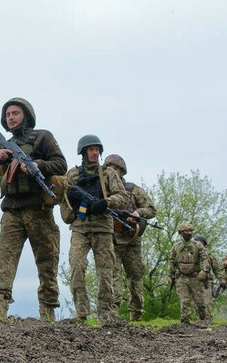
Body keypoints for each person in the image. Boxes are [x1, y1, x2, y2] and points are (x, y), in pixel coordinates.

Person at [0, 99, 67, 321]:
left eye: (16, 113)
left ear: (27, 115)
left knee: (47, 260)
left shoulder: (43, 137)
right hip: (12, 211)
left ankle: (48, 310)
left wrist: (37, 165)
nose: (11, 117)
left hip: (38, 209)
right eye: (8, 114)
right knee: (5, 257)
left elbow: (61, 164)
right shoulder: (3, 145)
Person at [61, 135, 128, 324]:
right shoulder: (72, 174)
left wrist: (105, 202)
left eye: (97, 149)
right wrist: (72, 212)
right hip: (80, 228)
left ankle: (106, 315)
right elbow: (62, 199)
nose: (95, 152)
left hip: (102, 228)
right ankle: (81, 314)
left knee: (105, 272)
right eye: (91, 149)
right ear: (83, 151)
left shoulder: (108, 173)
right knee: (76, 267)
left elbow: (122, 197)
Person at [104, 154, 156, 322]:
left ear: (122, 171)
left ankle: (136, 314)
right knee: (113, 278)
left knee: (135, 277)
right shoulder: (102, 190)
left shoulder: (133, 189)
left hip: (132, 240)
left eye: (115, 169)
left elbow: (151, 208)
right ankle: (112, 316)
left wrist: (137, 213)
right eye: (109, 168)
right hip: (112, 241)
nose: (112, 172)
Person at [167, 223, 209, 324]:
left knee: (200, 303)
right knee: (184, 301)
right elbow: (171, 261)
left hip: (195, 277)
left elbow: (205, 258)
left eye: (191, 231)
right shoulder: (176, 246)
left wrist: (204, 270)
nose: (189, 233)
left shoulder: (197, 245)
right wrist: (169, 275)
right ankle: (185, 322)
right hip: (182, 277)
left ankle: (202, 319)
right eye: (187, 231)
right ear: (182, 233)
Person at [194, 235, 221, 323]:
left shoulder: (209, 255)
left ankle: (208, 320)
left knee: (207, 301)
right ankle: (200, 319)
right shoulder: (192, 254)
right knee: (196, 302)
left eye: (199, 242)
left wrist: (221, 279)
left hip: (206, 281)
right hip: (194, 281)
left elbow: (216, 268)